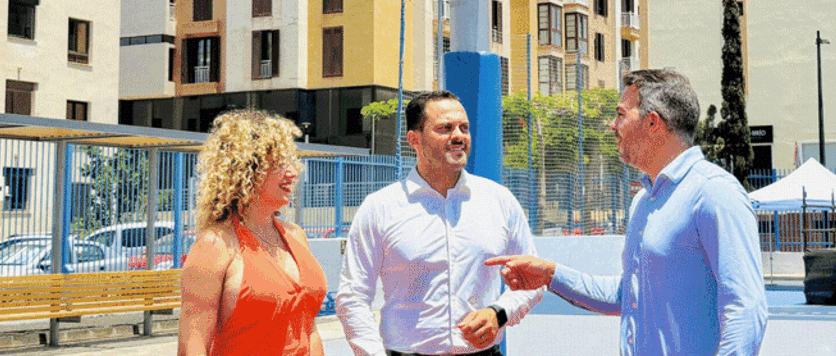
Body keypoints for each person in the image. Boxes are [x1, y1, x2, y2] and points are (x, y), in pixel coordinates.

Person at [487, 69, 768, 356]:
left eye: (621, 114)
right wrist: (550, 274)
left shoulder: (714, 193)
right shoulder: (644, 200)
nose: (612, 125)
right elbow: (628, 295)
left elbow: (746, 309)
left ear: (652, 122)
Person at [336, 91, 543, 356]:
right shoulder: (380, 208)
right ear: (415, 140)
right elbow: (353, 296)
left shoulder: (499, 201)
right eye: (445, 128)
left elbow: (533, 281)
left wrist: (499, 314)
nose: (458, 136)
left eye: (464, 128)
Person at [178, 109, 327, 356]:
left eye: (291, 161)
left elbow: (309, 329)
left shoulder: (295, 235)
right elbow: (193, 343)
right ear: (247, 169)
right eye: (279, 164)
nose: (292, 172)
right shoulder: (216, 244)